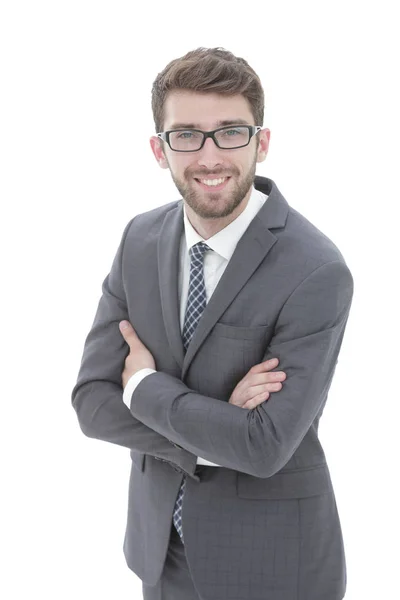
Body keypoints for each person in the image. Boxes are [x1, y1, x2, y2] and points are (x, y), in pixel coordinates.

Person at [71, 47, 354, 600]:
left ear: (261, 142)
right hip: (161, 554)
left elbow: (264, 448)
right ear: (160, 149)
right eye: (187, 135)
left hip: (272, 565)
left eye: (230, 132)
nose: (209, 156)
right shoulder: (138, 239)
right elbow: (91, 402)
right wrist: (220, 423)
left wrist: (145, 387)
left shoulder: (315, 269)